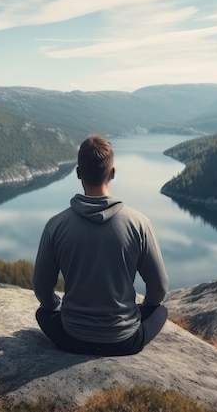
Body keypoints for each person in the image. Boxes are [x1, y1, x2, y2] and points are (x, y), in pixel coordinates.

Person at [33, 133, 169, 356]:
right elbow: (159, 287)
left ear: (78, 173)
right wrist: (141, 309)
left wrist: (56, 306)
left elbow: (41, 287)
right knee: (160, 310)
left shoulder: (55, 225)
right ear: (112, 173)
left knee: (42, 313)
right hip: (124, 341)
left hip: (72, 338)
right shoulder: (139, 223)